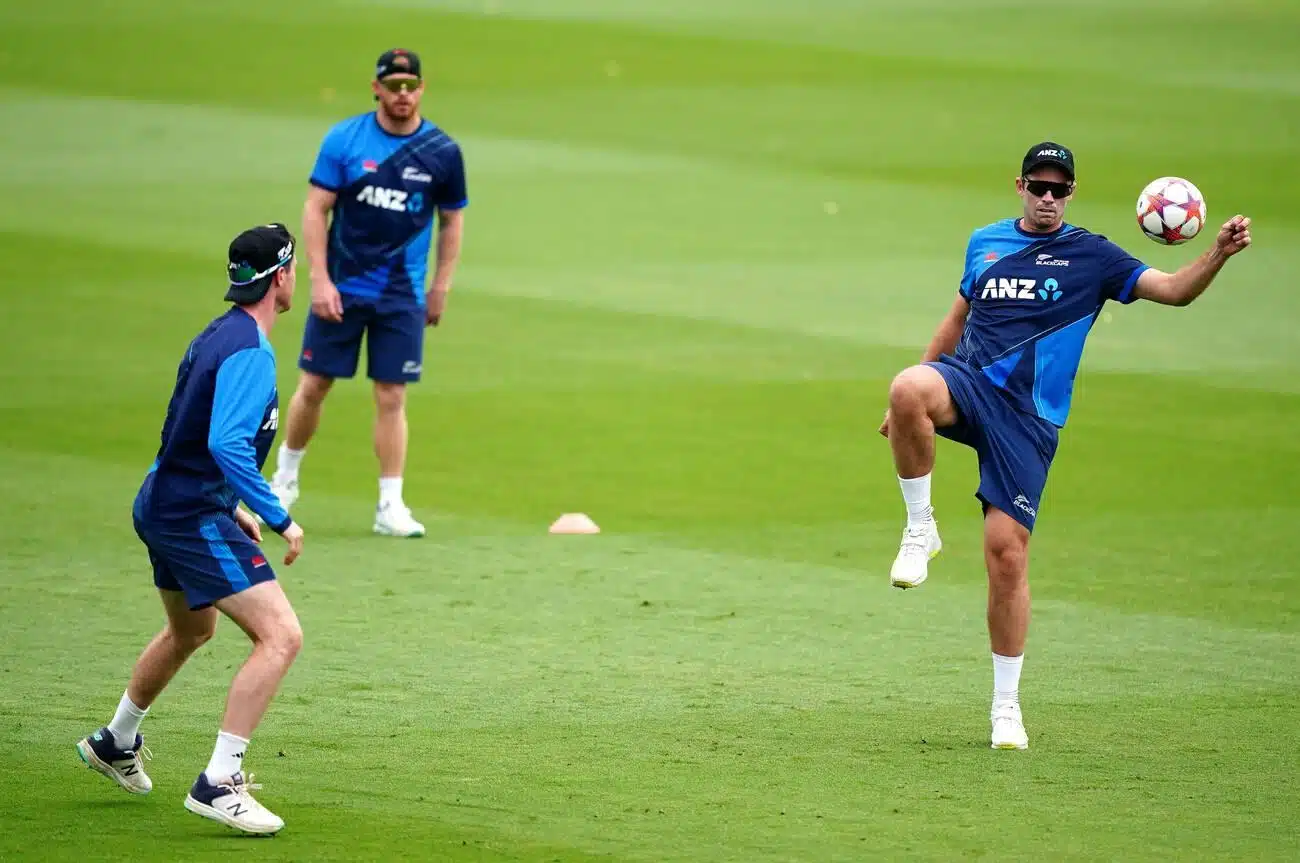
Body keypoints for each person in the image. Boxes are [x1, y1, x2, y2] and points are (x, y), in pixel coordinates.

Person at [879, 142, 1252, 750]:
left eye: (1059, 188)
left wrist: (1218, 253)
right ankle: (920, 528)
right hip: (968, 385)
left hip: (1027, 420)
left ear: (1071, 193)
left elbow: (1175, 290)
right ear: (1020, 186)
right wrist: (909, 401)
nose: (1048, 197)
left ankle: (1006, 708)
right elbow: (956, 319)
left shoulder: (1093, 256)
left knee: (1006, 558)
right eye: (1038, 186)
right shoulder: (986, 242)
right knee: (905, 387)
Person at [76, 223, 307, 835]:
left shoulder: (216, 334)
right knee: (281, 636)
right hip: (186, 515)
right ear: (282, 276)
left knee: (191, 629)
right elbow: (227, 442)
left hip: (165, 500)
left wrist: (231, 504)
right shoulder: (251, 350)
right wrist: (277, 513)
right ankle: (219, 782)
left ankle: (115, 741)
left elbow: (178, 428)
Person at [268, 47, 468, 537]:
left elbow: (451, 220)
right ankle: (283, 483)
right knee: (314, 386)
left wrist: (441, 285)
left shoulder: (442, 151)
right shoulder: (346, 140)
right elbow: (316, 209)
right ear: (377, 88)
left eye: (411, 85)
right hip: (343, 288)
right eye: (394, 85)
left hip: (401, 295)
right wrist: (319, 279)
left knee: (392, 394)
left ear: (422, 89)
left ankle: (390, 505)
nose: (403, 94)